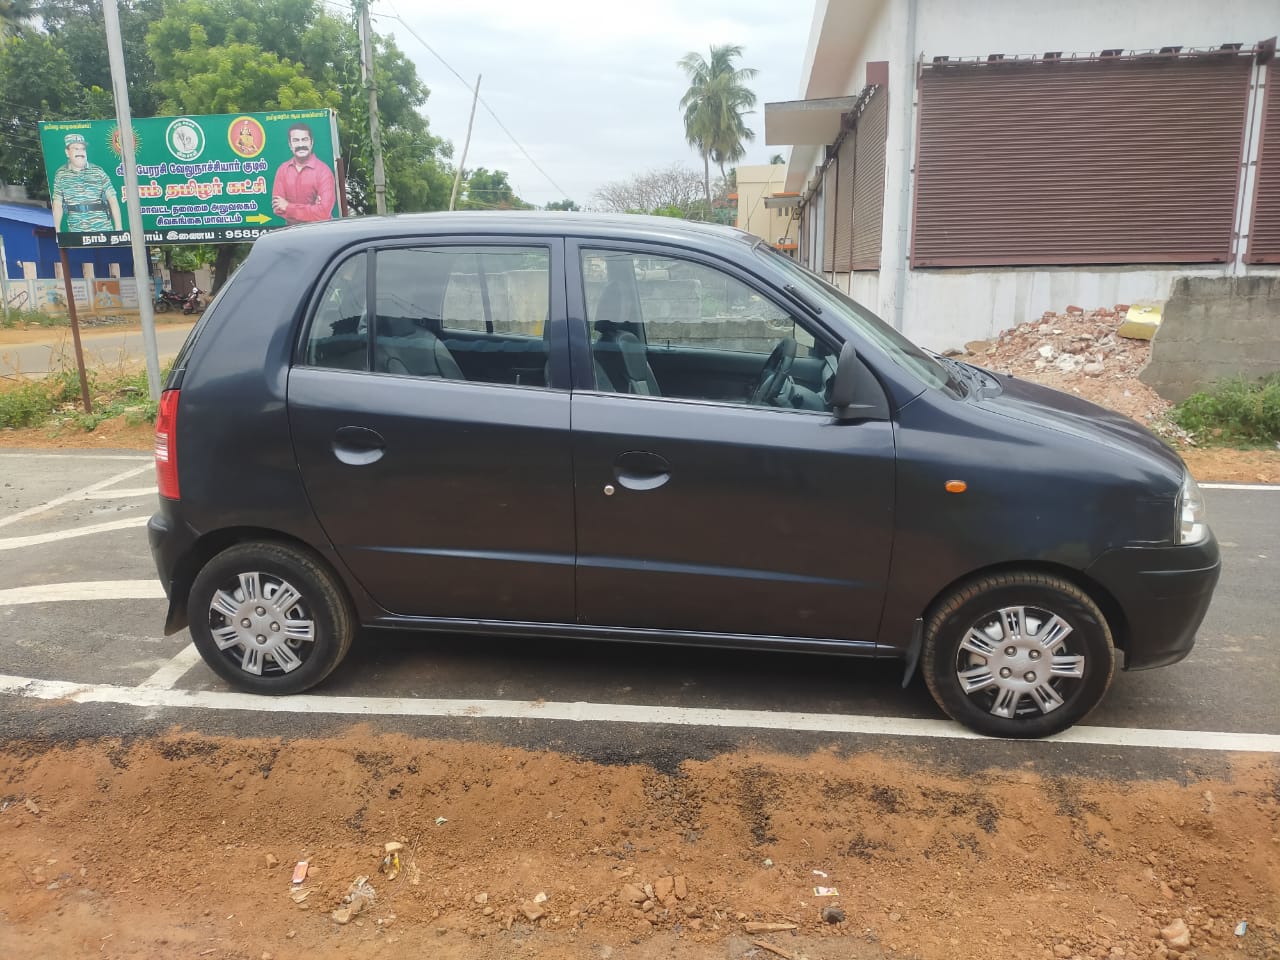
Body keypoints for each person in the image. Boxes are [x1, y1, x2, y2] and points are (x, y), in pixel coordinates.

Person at [50, 133, 122, 233]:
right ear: (67, 152)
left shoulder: (98, 171)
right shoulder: (61, 174)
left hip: (102, 230)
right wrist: (57, 231)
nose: (80, 152)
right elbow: (57, 203)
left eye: (83, 149)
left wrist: (118, 229)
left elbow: (113, 200)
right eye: (76, 149)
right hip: (76, 232)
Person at [270, 122, 337, 225]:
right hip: (291, 233)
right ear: (290, 144)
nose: (301, 145)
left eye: (304, 140)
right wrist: (313, 211)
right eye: (296, 140)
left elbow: (323, 213)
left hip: (320, 232)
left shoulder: (324, 171)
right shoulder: (283, 170)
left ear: (312, 142)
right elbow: (278, 208)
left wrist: (288, 207)